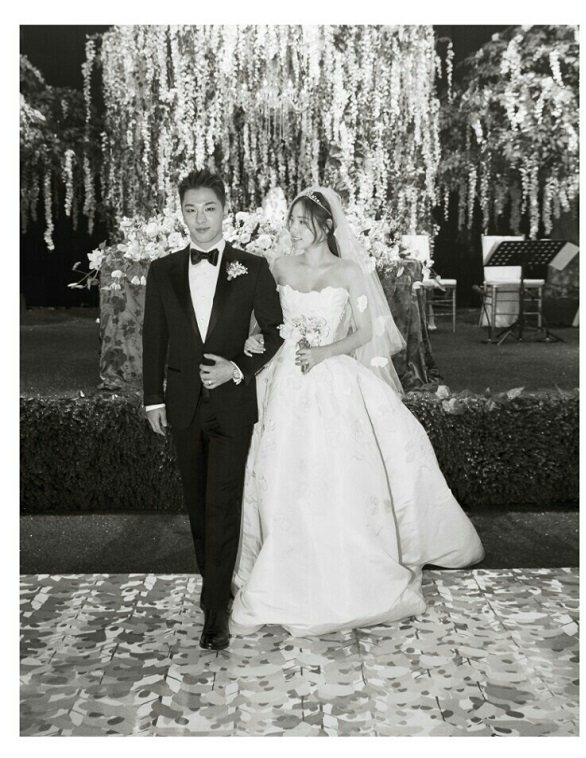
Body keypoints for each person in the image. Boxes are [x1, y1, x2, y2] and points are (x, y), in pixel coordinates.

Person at [230, 187, 484, 637]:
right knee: (278, 470)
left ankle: (347, 564)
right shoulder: (279, 267)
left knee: (336, 471)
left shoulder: (348, 270)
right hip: (283, 382)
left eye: (302, 222)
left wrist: (323, 352)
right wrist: (254, 339)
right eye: (291, 221)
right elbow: (266, 324)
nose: (293, 229)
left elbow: (365, 333)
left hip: (329, 376)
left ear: (326, 226)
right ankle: (282, 565)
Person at [142, 169, 283, 650]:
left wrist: (237, 367)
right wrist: (153, 398)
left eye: (209, 208)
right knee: (199, 508)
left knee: (223, 503)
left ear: (225, 211)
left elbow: (276, 331)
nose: (200, 219)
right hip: (182, 406)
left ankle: (215, 610)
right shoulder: (162, 270)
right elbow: (154, 337)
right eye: (190, 209)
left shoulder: (252, 267)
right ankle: (214, 588)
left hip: (232, 405)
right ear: (180, 213)